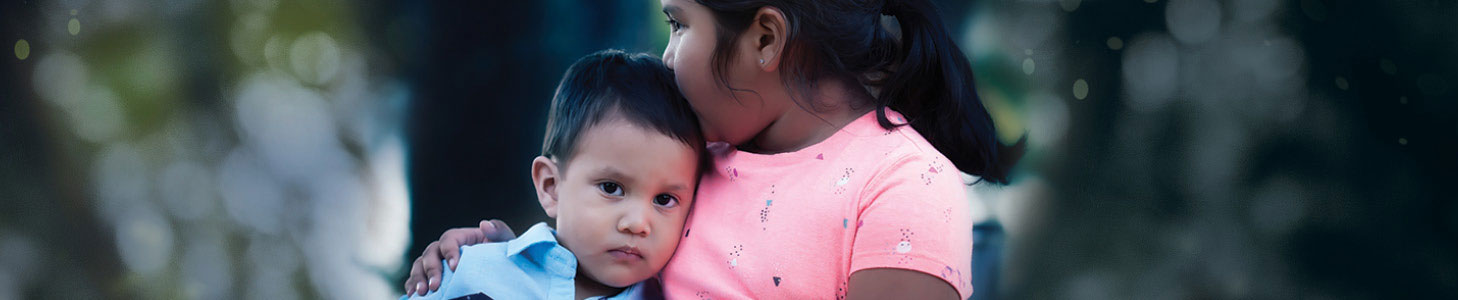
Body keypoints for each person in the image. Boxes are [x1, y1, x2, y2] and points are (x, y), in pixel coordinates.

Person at [406, 0, 1023, 298]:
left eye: (678, 25)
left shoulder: (901, 183)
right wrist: (497, 263)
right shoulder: (700, 154)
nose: (667, 57)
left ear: (764, 37)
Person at [404, 50, 706, 300]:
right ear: (551, 187)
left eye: (665, 199)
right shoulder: (472, 271)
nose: (637, 223)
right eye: (612, 188)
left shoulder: (677, 293)